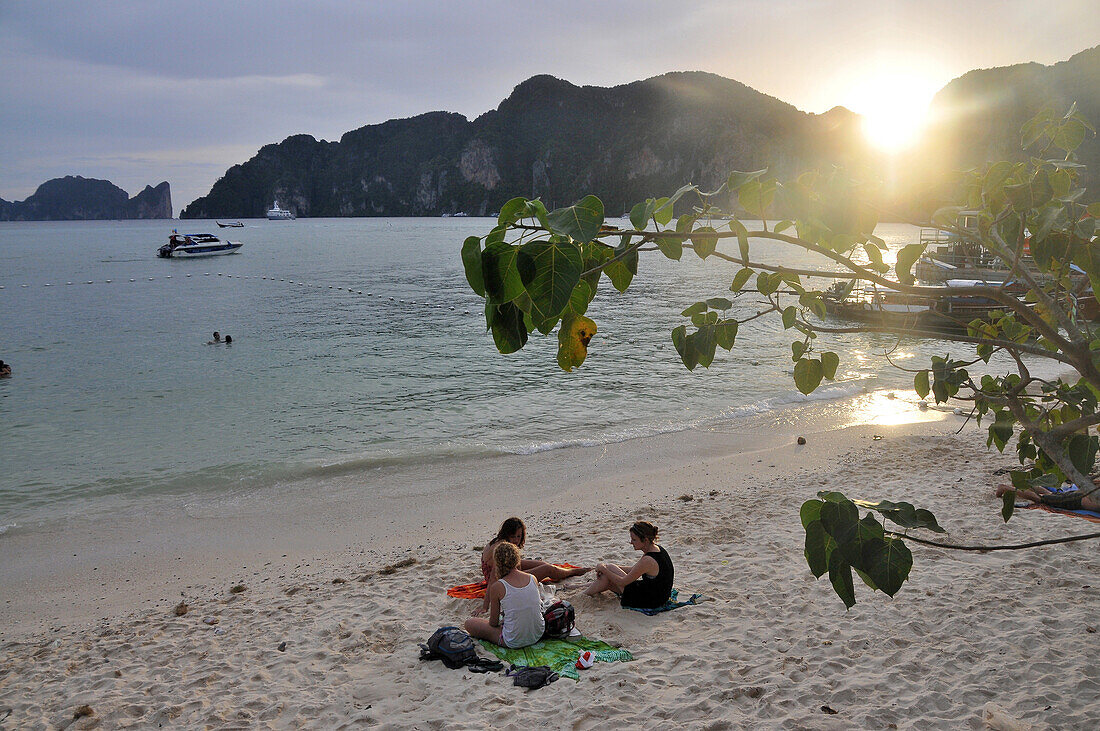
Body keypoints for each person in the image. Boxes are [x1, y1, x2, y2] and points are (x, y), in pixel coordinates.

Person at [478, 518, 589, 612]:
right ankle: (573, 572)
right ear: (507, 534)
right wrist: (485, 607)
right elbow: (493, 578)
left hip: (507, 569)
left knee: (543, 564)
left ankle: (564, 572)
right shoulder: (500, 548)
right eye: (513, 537)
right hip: (503, 577)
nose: (516, 540)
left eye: (519, 536)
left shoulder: (501, 542)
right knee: (548, 569)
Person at [464, 542, 545, 649]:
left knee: (469, 623)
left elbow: (493, 623)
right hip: (538, 634)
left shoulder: (498, 586)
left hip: (514, 641)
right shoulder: (532, 578)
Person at [584, 521, 674, 609]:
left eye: (634, 540)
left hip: (651, 601)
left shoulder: (648, 560)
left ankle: (583, 594)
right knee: (608, 574)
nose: (631, 542)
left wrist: (604, 569)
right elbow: (634, 569)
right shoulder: (656, 549)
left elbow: (622, 582)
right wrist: (607, 568)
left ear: (645, 540)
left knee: (607, 574)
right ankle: (582, 588)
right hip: (658, 594)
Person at [995, 482, 1100, 512]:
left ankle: (1024, 484)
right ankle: (1005, 488)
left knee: (1052, 495)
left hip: (1080, 496)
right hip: (1076, 500)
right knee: (1041, 499)